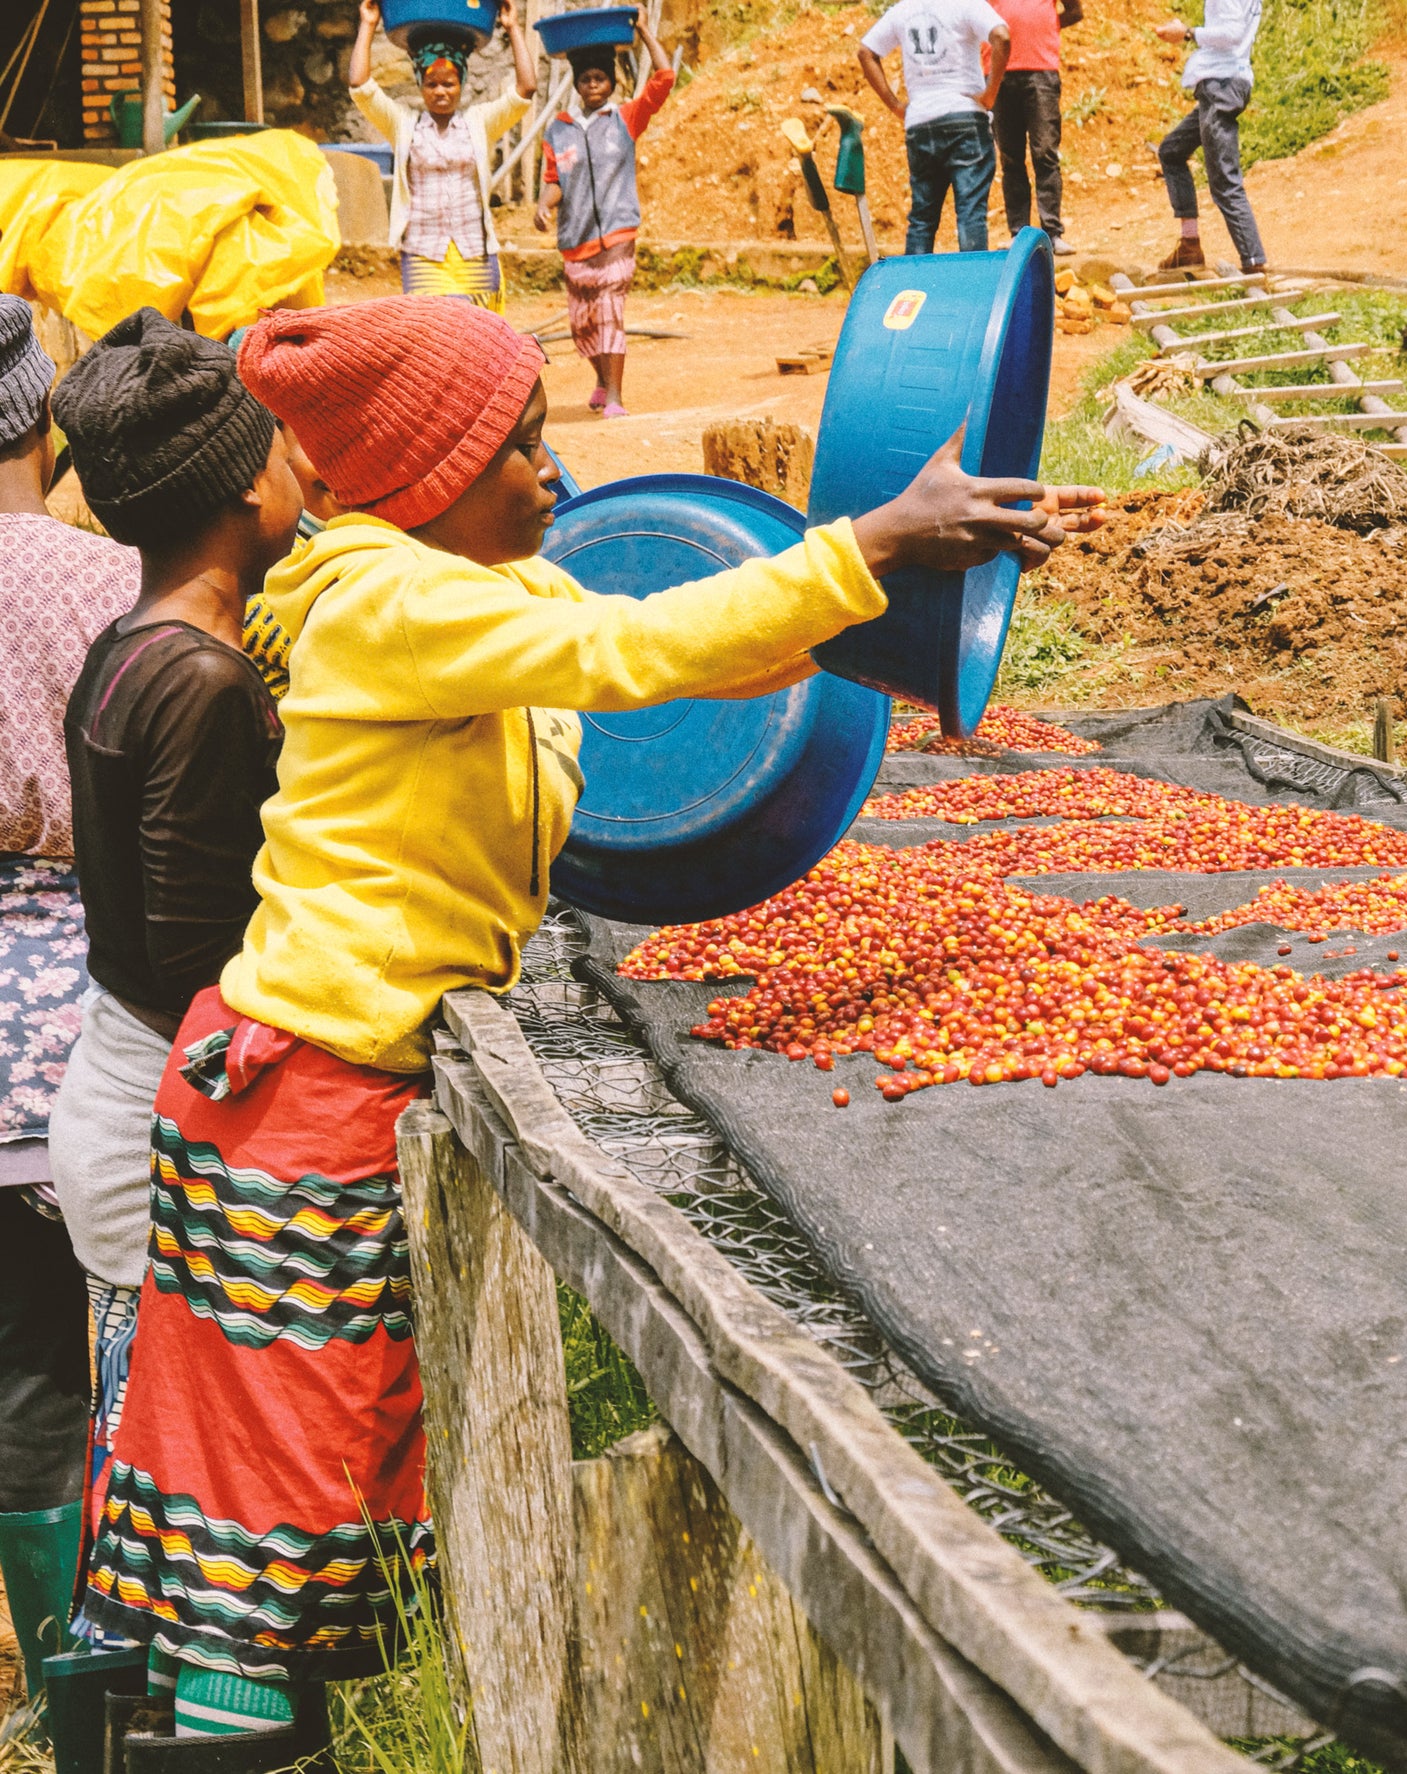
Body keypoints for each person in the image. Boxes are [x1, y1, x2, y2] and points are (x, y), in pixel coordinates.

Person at [74, 293, 1105, 1756]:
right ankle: (217, 1744)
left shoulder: (487, 594)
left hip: (338, 1078)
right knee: (276, 1483)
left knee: (324, 1457)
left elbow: (692, 647)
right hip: (292, 1088)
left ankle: (253, 1729)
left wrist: (879, 619)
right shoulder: (384, 602)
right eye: (521, 448)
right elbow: (640, 654)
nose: (552, 477)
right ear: (428, 481)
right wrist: (869, 545)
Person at [45, 311, 303, 1734]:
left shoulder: (136, 645)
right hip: (163, 1123)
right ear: (233, 490)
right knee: (191, 1509)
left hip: (118, 1093)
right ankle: (179, 1735)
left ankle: (134, 1722)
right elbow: (195, 945)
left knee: (142, 1473)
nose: (300, 465)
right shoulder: (203, 681)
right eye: (279, 446)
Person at [0, 295, 135, 1709]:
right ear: (47, 423)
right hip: (88, 1039)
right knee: (133, 1362)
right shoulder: (105, 584)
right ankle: (144, 1667)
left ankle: (54, 1694)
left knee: (20, 1382)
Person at [349, 0, 536, 312]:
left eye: (449, 83)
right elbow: (360, 86)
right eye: (431, 83)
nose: (440, 91)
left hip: (474, 253)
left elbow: (526, 90)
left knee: (477, 340)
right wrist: (368, 25)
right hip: (423, 254)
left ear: (460, 84)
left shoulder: (479, 123)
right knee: (433, 337)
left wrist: (513, 27)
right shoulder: (403, 125)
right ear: (421, 86)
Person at [533, 19, 674, 417]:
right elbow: (553, 179)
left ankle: (615, 395)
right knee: (583, 324)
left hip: (617, 234)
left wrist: (645, 31)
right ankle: (600, 379)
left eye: (600, 78)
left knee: (610, 313)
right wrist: (544, 205)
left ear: (611, 82)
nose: (592, 85)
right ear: (576, 85)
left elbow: (664, 78)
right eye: (585, 80)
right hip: (575, 241)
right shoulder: (558, 131)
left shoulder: (624, 119)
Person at [859, 0, 1010, 255]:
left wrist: (896, 105)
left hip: (920, 121)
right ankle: (971, 291)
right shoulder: (967, 5)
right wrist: (989, 95)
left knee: (922, 219)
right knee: (970, 214)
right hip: (964, 118)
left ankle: (915, 289)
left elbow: (866, 52)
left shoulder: (903, 10)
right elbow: (1002, 36)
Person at [1153, 0, 1266, 278]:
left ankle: (1254, 263)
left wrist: (1188, 33)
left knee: (1224, 181)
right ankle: (1189, 245)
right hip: (1225, 84)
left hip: (1222, 85)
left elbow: (1231, 33)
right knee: (1171, 151)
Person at [990, 0, 1083, 256]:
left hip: (1041, 69)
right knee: (1010, 158)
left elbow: (1075, 11)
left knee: (1045, 153)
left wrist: (1046, 27)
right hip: (999, 71)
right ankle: (1018, 232)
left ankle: (1052, 232)